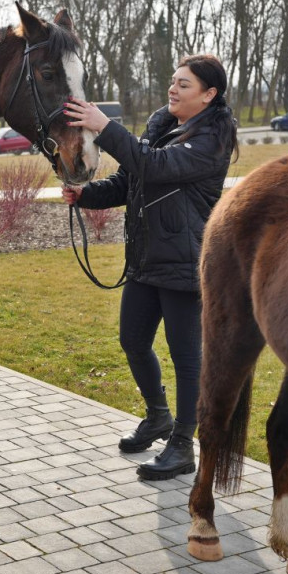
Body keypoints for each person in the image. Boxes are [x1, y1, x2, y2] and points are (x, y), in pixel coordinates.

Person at [61, 54, 237, 481]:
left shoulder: (212, 139)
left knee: (187, 358)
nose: (173, 89)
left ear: (209, 94)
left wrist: (105, 127)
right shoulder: (163, 126)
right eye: (173, 81)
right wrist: (85, 194)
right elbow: (132, 180)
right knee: (133, 341)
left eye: (184, 84)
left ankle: (183, 444)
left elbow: (155, 166)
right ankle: (158, 416)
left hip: (184, 265)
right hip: (146, 260)